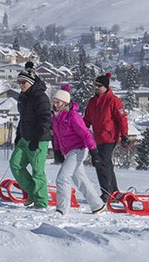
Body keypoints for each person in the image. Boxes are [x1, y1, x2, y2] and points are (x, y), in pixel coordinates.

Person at [50, 84, 106, 215]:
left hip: (79, 149)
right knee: (80, 179)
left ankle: (61, 210)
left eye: (58, 102)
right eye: (54, 102)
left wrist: (94, 152)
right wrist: (57, 151)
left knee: (62, 177)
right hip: (68, 151)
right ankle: (98, 205)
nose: (55, 105)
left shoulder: (73, 116)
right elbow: (56, 136)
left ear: (65, 103)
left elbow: (86, 135)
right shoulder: (55, 117)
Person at [9, 62, 52, 209]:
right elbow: (23, 118)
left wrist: (36, 139)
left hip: (39, 140)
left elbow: (46, 121)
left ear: (31, 82)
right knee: (15, 164)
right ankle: (31, 192)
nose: (20, 85)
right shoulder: (23, 96)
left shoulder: (41, 97)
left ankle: (41, 203)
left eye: (23, 82)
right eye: (19, 82)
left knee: (37, 172)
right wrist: (18, 136)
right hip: (24, 138)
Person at [82, 72, 129, 201]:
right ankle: (114, 192)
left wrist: (124, 135)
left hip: (110, 137)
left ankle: (106, 193)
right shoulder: (92, 101)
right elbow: (87, 120)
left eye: (99, 85)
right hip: (98, 138)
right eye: (95, 85)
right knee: (107, 164)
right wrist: (79, 130)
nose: (96, 87)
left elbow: (122, 119)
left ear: (106, 87)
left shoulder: (113, 100)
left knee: (101, 163)